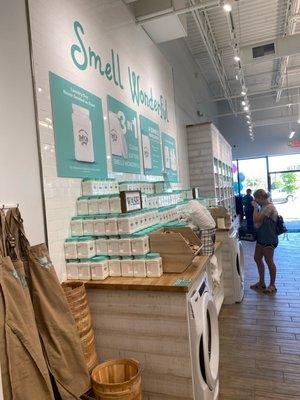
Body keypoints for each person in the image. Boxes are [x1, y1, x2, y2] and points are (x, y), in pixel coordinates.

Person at [250, 189, 278, 294]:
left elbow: (256, 220)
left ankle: (272, 285)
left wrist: (255, 208)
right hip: (262, 238)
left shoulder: (269, 207)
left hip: (269, 239)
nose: (255, 201)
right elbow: (257, 222)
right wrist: (257, 208)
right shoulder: (263, 207)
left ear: (261, 198)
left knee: (269, 261)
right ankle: (261, 282)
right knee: (257, 258)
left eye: (256, 199)